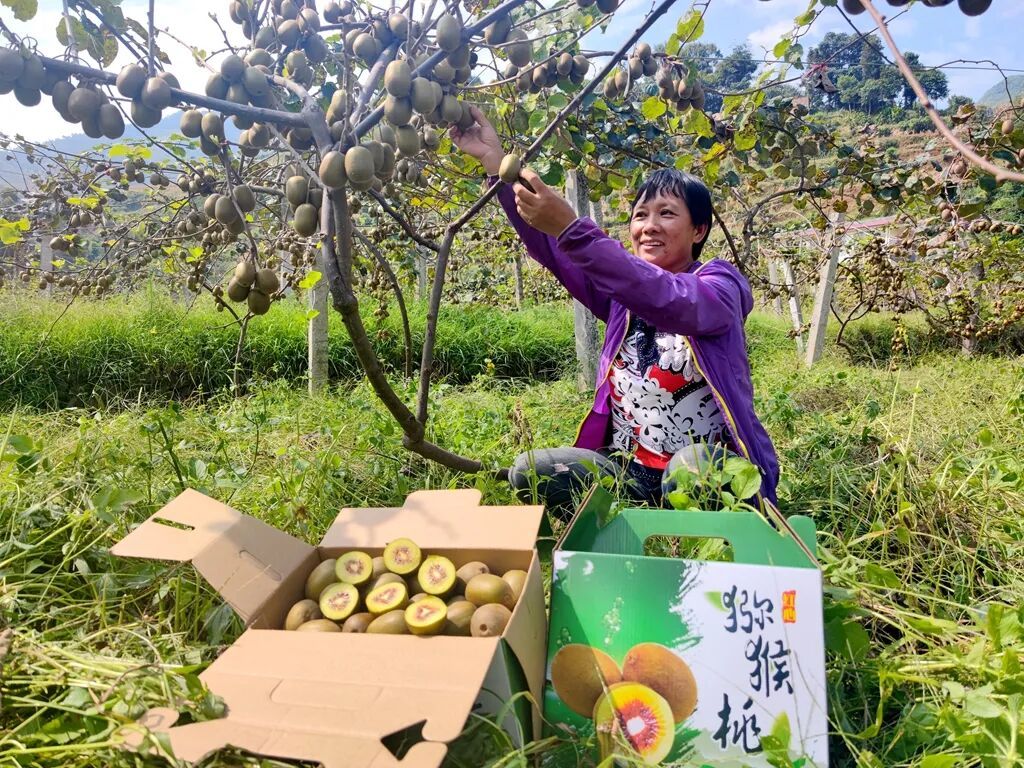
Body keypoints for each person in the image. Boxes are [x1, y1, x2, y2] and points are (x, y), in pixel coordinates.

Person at [450, 106, 780, 520]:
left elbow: (673, 300)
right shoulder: (620, 294)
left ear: (699, 231)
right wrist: (497, 165)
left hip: (703, 470)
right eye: (640, 215)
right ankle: (631, 516)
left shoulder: (720, 286)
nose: (649, 226)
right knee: (531, 471)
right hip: (629, 471)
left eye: (667, 213)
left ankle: (702, 532)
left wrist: (576, 229)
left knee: (690, 468)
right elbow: (559, 250)